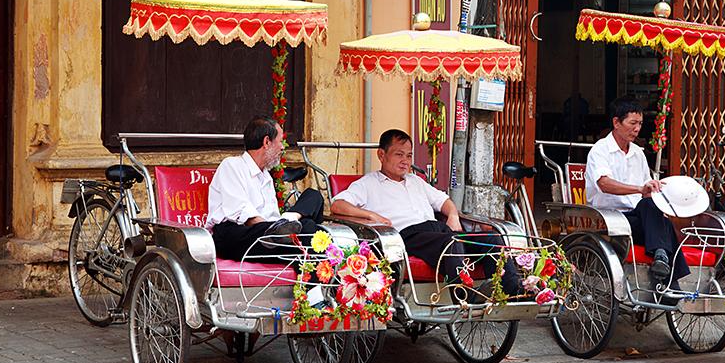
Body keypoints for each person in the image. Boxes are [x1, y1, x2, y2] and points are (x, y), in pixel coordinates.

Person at [330, 129, 521, 297]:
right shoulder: (368, 183)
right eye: (399, 155)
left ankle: (511, 292)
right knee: (450, 244)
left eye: (409, 156)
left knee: (490, 238)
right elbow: (338, 205)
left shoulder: (416, 181)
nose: (405, 161)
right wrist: (370, 215)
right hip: (406, 237)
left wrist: (453, 215)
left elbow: (443, 201)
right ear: (381, 155)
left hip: (438, 232)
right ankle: (461, 296)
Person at [584, 98, 688, 287]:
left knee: (655, 209)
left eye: (640, 124)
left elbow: (645, 191)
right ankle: (671, 283)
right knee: (662, 226)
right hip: (609, 219)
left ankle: (661, 258)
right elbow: (605, 184)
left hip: (636, 218)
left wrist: (654, 190)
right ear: (616, 123)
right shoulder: (600, 150)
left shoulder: (638, 153)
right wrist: (640, 189)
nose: (637, 129)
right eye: (632, 123)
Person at [207, 116, 324, 261]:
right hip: (237, 234)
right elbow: (243, 213)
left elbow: (271, 215)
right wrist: (273, 231)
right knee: (309, 232)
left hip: (268, 234)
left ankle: (287, 221)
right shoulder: (232, 165)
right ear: (266, 142)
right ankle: (281, 230)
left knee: (313, 198)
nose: (283, 147)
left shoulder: (266, 176)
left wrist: (282, 226)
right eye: (280, 141)